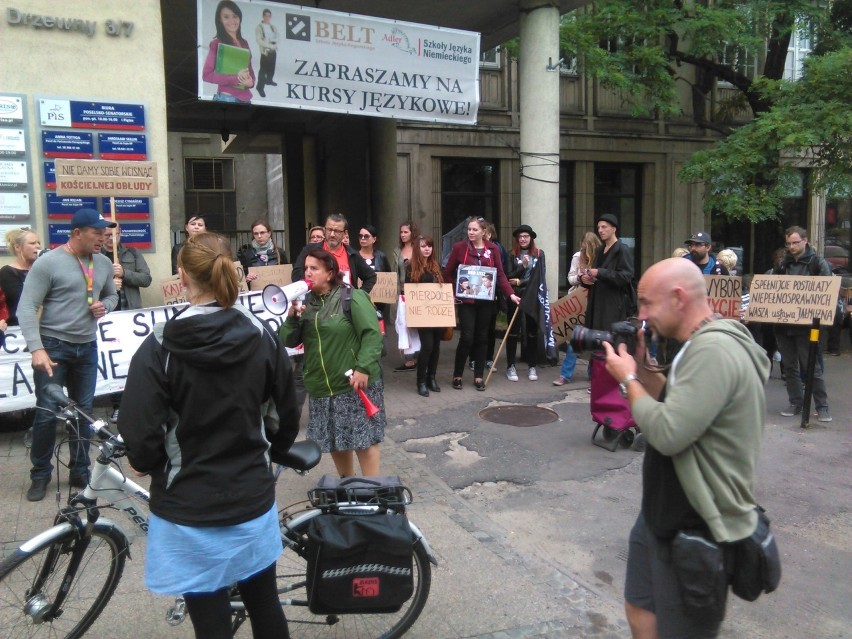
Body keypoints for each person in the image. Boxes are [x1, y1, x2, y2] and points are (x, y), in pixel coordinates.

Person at [118, 232, 298, 639]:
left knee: (209, 617)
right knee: (264, 603)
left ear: (181, 277)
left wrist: (145, 463)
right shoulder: (263, 336)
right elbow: (287, 411)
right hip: (250, 494)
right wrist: (271, 451)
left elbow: (140, 428)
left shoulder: (159, 346)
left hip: (189, 505)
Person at [603, 257, 769, 639]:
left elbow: (668, 432)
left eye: (646, 303)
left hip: (696, 523)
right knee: (640, 607)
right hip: (662, 513)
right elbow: (679, 408)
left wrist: (628, 381)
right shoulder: (694, 347)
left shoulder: (713, 352)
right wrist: (644, 370)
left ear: (678, 297)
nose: (641, 314)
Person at [18, 209, 118, 502]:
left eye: (104, 233)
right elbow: (26, 307)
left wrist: (106, 306)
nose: (103, 237)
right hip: (53, 346)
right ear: (77, 233)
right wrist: (36, 348)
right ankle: (40, 474)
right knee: (47, 413)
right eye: (97, 232)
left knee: (83, 412)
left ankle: (80, 469)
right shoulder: (48, 263)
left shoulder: (102, 263)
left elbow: (112, 295)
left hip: (87, 346)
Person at [278, 248, 386, 477]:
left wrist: (364, 367)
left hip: (353, 383)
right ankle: (348, 485)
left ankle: (372, 489)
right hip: (321, 386)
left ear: (329, 273)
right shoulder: (307, 305)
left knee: (363, 440)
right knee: (336, 440)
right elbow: (288, 340)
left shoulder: (352, 297)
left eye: (314, 268)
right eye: (306, 268)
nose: (307, 272)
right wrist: (291, 319)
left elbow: (372, 334)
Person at [444, 217, 520, 391]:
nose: (471, 232)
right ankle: (457, 374)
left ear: (483, 232)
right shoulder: (459, 248)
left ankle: (478, 376)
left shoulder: (492, 249)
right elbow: (447, 272)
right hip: (466, 301)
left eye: (474, 230)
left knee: (482, 337)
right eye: (469, 229)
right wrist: (456, 290)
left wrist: (511, 295)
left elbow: (500, 274)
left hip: (486, 301)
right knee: (467, 337)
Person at [771, 226, 833, 422]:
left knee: (811, 366)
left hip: (808, 326)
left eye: (795, 243)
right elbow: (771, 289)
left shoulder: (818, 264)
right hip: (783, 325)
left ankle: (822, 407)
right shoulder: (781, 265)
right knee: (789, 367)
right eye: (788, 243)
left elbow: (827, 291)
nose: (791, 247)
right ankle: (796, 402)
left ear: (805, 241)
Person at [102, 224, 152, 422]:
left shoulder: (132, 253)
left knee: (131, 360)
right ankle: (117, 405)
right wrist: (108, 284)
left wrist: (124, 273)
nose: (111, 238)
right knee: (112, 361)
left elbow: (146, 279)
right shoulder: (94, 257)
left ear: (121, 234)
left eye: (115, 234)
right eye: (106, 235)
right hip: (106, 319)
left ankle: (134, 402)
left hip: (129, 315)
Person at [554, 231, 601, 386]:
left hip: (595, 300)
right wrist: (580, 278)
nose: (584, 252)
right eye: (583, 249)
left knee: (595, 338)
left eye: (587, 250)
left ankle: (593, 373)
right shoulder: (576, 256)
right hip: (578, 300)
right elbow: (570, 278)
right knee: (575, 338)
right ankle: (565, 375)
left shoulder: (601, 257)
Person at [291, 213, 376, 293]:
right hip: (317, 305)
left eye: (337, 231)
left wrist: (358, 296)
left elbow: (371, 277)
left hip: (344, 305)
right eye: (329, 229)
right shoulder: (310, 250)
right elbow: (296, 274)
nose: (332, 234)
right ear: (324, 230)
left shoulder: (352, 254)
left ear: (345, 233)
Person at [581, 213, 635, 332]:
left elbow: (625, 277)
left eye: (604, 227)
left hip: (612, 306)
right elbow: (595, 275)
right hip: (595, 304)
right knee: (595, 342)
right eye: (599, 227)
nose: (600, 230)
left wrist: (600, 272)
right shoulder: (599, 250)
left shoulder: (622, 249)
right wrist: (585, 280)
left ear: (614, 229)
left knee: (608, 341)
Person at [505, 224, 545, 382]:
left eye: (526, 236)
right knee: (513, 331)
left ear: (531, 238)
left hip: (532, 296)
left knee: (532, 331)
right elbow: (508, 277)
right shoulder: (510, 255)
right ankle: (510, 366)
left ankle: (532, 365)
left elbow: (540, 277)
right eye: (520, 237)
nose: (522, 239)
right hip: (515, 297)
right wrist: (523, 267)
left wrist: (519, 281)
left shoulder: (539, 254)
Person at [406, 235, 445, 397]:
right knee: (427, 346)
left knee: (436, 346)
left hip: (436, 313)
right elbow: (409, 289)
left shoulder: (436, 265)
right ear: (417, 249)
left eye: (429, 246)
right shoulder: (411, 267)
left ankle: (431, 377)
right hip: (422, 313)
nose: (427, 249)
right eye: (423, 246)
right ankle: (420, 381)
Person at [201, 0, 255, 103]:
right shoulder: (217, 43)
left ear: (239, 17)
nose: (231, 21)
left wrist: (251, 82)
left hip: (246, 99)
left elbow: (250, 71)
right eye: (226, 17)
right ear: (220, 19)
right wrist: (236, 78)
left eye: (235, 16)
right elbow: (207, 75)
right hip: (228, 99)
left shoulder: (244, 43)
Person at [1, 227, 42, 326]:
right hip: (17, 329)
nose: (37, 246)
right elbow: (23, 301)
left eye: (38, 243)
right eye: (32, 243)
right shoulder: (6, 273)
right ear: (18, 247)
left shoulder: (43, 270)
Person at [393, 221, 419, 372]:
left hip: (416, 291)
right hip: (402, 291)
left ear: (412, 233)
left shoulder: (419, 249)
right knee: (403, 324)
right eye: (401, 232)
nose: (403, 235)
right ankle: (409, 358)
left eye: (406, 232)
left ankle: (418, 356)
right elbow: (394, 271)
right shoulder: (397, 250)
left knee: (416, 324)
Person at [358, 223, 391, 329]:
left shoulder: (381, 257)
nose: (362, 239)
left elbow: (388, 276)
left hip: (378, 304)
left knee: (379, 333)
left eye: (366, 236)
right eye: (360, 236)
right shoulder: (353, 256)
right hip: (359, 302)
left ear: (374, 239)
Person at [238, 219, 288, 283]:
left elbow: (286, 275)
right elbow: (239, 279)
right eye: (256, 233)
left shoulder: (280, 252)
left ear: (269, 233)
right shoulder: (246, 253)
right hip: (254, 291)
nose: (259, 236)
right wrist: (246, 278)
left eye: (262, 233)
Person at [254, 8, 278, 98]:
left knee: (272, 68)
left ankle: (269, 80)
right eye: (266, 15)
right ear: (263, 16)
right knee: (263, 71)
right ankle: (260, 87)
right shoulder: (259, 27)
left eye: (269, 16)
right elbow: (259, 40)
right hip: (265, 52)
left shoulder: (273, 27)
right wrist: (269, 44)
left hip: (273, 51)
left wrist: (273, 44)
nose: (267, 17)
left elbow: (277, 38)